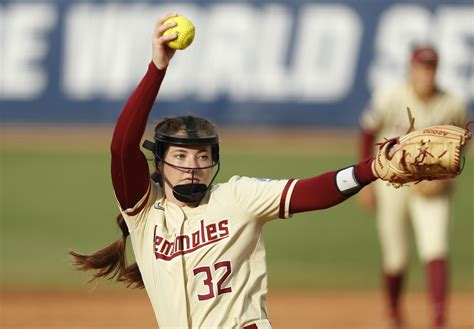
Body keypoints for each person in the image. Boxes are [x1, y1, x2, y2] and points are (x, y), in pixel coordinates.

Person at [69, 14, 463, 328]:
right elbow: (122, 147)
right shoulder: (144, 216)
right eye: (181, 157)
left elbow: (312, 191)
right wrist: (157, 68)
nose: (193, 167)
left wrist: (370, 169)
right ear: (160, 163)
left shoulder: (236, 197)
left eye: (202, 157)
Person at [358, 45, 468, 329]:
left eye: (431, 67)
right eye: (421, 67)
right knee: (396, 256)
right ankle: (393, 314)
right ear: (411, 68)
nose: (426, 73)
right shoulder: (390, 96)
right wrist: (366, 182)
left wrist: (445, 180)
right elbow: (368, 130)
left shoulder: (453, 104)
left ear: (437, 69)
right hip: (391, 184)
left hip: (432, 188)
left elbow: (460, 149)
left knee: (436, 248)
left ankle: (439, 319)